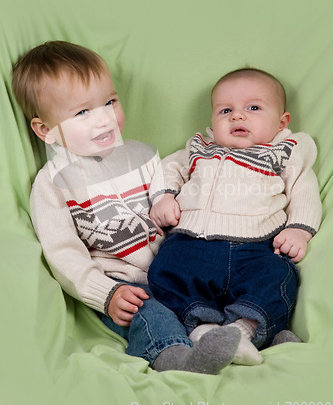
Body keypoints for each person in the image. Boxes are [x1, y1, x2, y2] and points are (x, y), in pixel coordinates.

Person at [11, 40, 241, 374]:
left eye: (110, 102)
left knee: (228, 280)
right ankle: (177, 359)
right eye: (82, 112)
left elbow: (171, 187)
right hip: (123, 283)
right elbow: (63, 253)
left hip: (174, 267)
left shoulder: (140, 154)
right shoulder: (52, 184)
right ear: (46, 130)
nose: (104, 120)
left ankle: (255, 331)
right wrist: (106, 293)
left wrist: (166, 199)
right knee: (148, 313)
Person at [148, 68, 322, 366]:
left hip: (257, 247)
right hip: (192, 242)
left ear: (282, 121)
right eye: (225, 110)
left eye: (253, 108)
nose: (238, 116)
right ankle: (203, 331)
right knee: (165, 270)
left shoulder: (284, 151)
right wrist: (163, 196)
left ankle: (243, 330)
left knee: (278, 277)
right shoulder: (200, 147)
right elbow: (168, 168)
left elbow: (303, 188)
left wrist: (299, 230)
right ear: (213, 123)